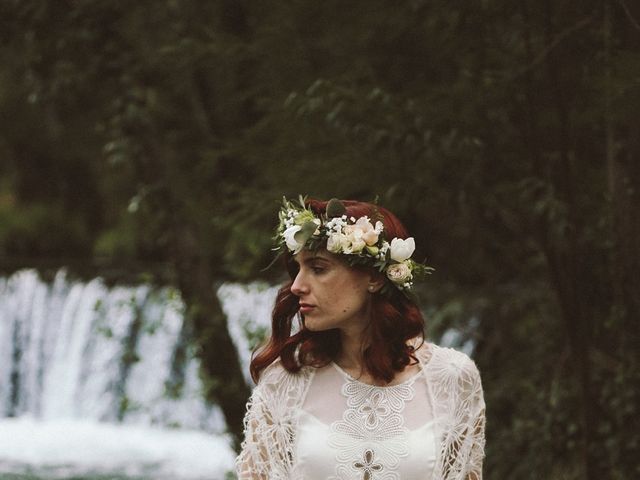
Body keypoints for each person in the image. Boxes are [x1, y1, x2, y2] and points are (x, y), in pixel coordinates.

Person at [236, 196, 485, 480]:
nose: (296, 286)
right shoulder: (285, 382)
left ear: (374, 278)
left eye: (318, 269)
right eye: (297, 270)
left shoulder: (453, 377)